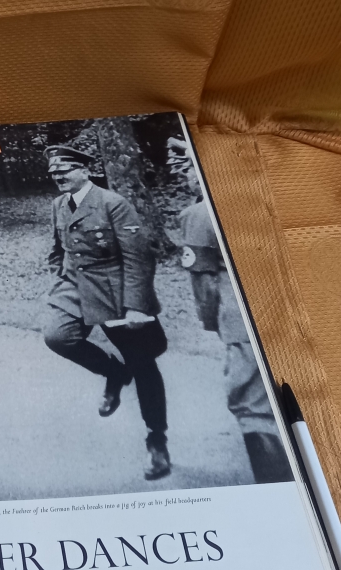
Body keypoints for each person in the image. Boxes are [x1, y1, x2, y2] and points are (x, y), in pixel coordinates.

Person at [41, 145, 171, 481]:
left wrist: (135, 306)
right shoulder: (58, 205)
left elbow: (139, 257)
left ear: (85, 171)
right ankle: (114, 373)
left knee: (143, 363)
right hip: (74, 286)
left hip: (114, 289)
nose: (58, 177)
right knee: (57, 337)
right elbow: (57, 249)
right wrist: (58, 278)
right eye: (54, 173)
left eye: (64, 170)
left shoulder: (112, 203)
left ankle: (156, 440)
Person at [169, 140, 292, 483]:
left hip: (243, 321)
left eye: (189, 168)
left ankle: (278, 492)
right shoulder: (267, 196)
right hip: (293, 315)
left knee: (254, 409)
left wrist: (215, 324)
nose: (187, 177)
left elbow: (205, 284)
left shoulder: (198, 215)